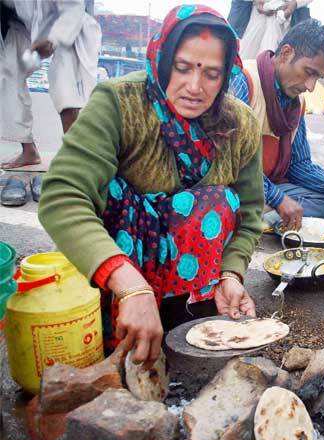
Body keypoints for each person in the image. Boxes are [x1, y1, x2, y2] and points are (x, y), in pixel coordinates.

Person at [38, 5, 264, 366]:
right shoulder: (118, 103)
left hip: (189, 269)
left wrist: (231, 273)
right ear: (163, 59)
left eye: (211, 74)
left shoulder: (240, 124)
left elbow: (251, 214)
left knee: (220, 202)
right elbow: (63, 196)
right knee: (110, 191)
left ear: (226, 76)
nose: (194, 86)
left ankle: (182, 318)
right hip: (120, 265)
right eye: (183, 67)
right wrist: (129, 284)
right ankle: (118, 322)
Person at [229, 19, 324, 231]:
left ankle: (267, 218)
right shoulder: (245, 81)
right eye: (309, 72)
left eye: (317, 77)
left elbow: (299, 164)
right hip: (237, 186)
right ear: (286, 53)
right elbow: (233, 162)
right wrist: (278, 198)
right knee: (226, 203)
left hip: (269, 186)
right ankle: (266, 217)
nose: (310, 86)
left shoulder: (296, 104)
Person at [0, 0, 101, 169]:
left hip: (70, 21)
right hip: (23, 26)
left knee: (64, 78)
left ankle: (75, 156)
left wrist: (53, 39)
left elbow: (73, 8)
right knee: (6, 72)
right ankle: (29, 151)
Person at [239, 0, 314, 61]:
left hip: (284, 17)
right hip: (258, 13)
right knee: (247, 54)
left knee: (275, 58)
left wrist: (296, 3)